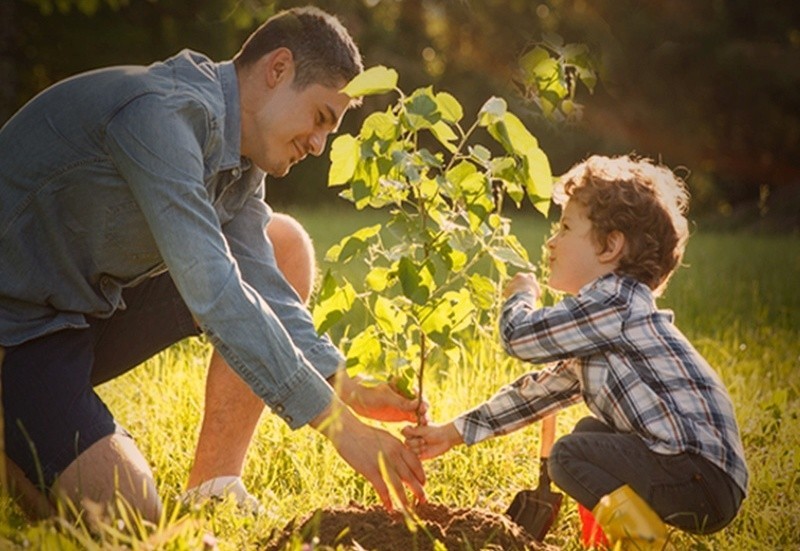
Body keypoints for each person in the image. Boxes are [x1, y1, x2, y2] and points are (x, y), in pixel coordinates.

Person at [0, 6, 427, 524]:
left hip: (79, 311)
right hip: (18, 329)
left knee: (283, 244)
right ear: (278, 69)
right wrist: (343, 429)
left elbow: (263, 282)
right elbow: (217, 292)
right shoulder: (161, 115)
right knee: (130, 518)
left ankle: (214, 487)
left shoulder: (240, 158)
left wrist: (343, 384)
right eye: (320, 119)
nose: (319, 145)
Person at [403, 155, 748, 548]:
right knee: (587, 436)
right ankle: (612, 542)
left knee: (569, 454)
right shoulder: (606, 327)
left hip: (696, 472)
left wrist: (520, 297)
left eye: (565, 227)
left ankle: (645, 544)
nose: (551, 241)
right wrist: (451, 433)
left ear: (610, 246)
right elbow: (536, 394)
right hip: (704, 477)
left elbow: (519, 337)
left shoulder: (613, 302)